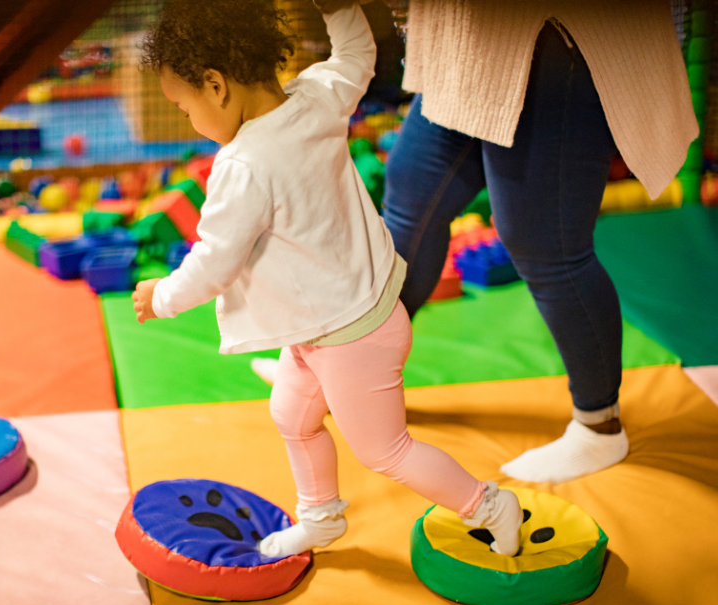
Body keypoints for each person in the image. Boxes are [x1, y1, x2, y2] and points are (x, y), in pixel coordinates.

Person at [132, 0, 523, 558]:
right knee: (291, 414)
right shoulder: (316, 96)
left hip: (350, 336)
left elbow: (214, 262)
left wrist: (161, 295)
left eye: (184, 107)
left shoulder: (243, 167)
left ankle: (487, 504)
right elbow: (358, 54)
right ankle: (320, 517)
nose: (188, 122)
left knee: (385, 451)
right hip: (337, 319)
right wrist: (338, 8)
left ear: (215, 85)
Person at [382, 0, 697, 484]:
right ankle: (361, 372)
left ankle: (600, 425)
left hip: (556, 31)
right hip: (471, 36)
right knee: (412, 195)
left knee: (546, 241)